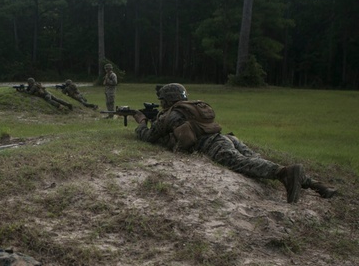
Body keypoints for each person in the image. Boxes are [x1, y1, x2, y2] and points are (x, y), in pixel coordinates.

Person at [132, 83, 337, 204]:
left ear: (167, 100)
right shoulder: (188, 108)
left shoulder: (171, 114)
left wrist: (140, 121)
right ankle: (318, 186)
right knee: (254, 158)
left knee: (241, 163)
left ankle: (284, 173)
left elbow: (150, 137)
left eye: (161, 101)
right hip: (227, 137)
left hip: (212, 144)